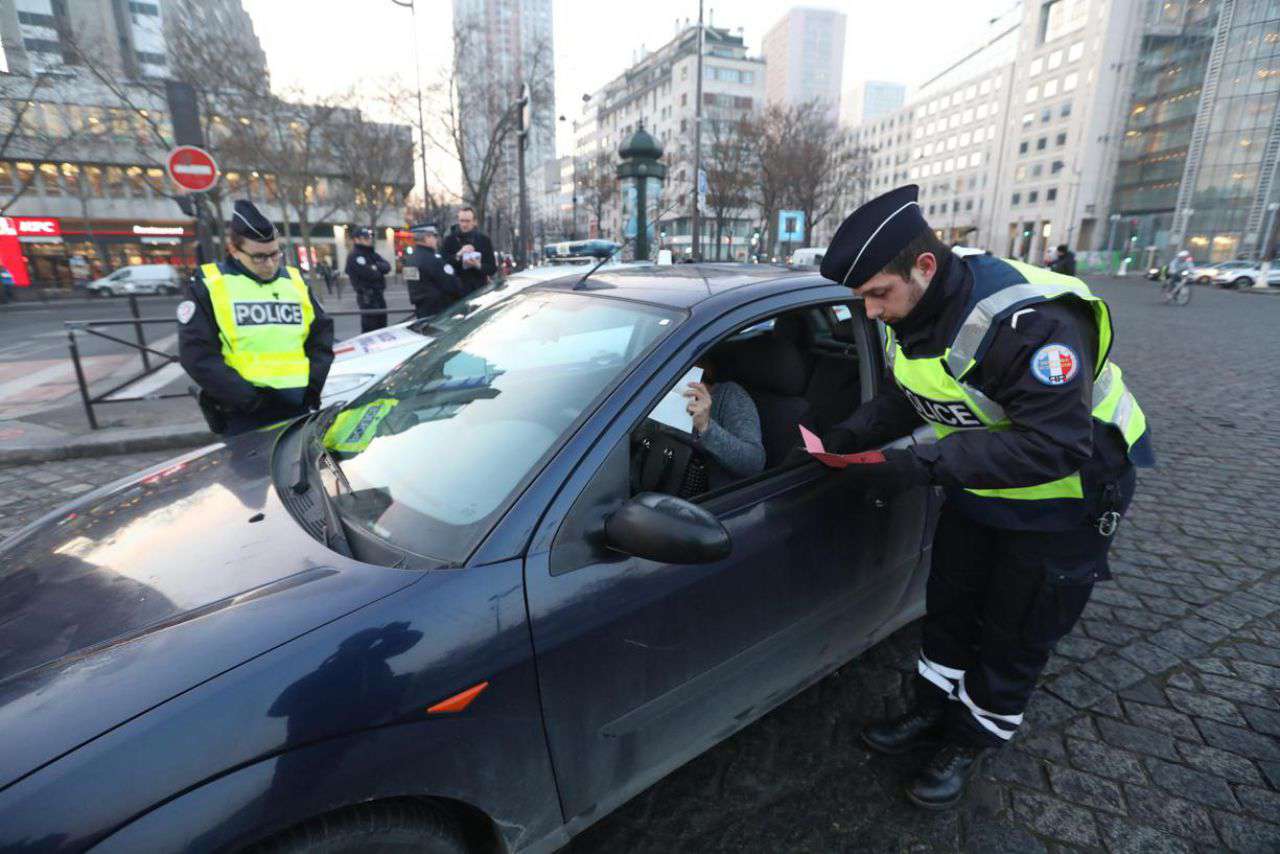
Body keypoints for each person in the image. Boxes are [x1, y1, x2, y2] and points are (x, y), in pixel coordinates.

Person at [816, 185, 1154, 810]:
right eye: (860, 299)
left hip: (1067, 500)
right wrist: (851, 435)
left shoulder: (1033, 321)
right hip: (979, 485)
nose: (869, 313)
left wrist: (919, 463)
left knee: (1015, 627)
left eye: (876, 295)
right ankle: (929, 712)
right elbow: (910, 393)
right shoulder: (908, 311)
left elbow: (1055, 444)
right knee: (951, 604)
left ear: (923, 267)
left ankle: (970, 739)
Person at [178, 199, 334, 436]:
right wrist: (250, 401)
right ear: (234, 250)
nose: (270, 264)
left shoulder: (293, 281)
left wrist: (312, 387)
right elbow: (198, 355)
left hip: (299, 405)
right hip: (245, 413)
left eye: (275, 254)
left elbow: (320, 338)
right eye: (259, 257)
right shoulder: (210, 285)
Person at [683, 356, 766, 490]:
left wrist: (706, 426)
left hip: (711, 500)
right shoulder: (662, 393)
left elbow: (753, 463)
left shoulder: (729, 395)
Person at [402, 223, 461, 319]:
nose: (436, 240)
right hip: (438, 312)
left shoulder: (410, 260)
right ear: (427, 237)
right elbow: (451, 285)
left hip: (421, 309)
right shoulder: (432, 259)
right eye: (434, 236)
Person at [440, 206, 497, 296]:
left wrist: (477, 265)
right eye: (461, 221)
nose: (464, 225)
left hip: (479, 291)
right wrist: (458, 255)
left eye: (467, 221)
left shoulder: (484, 240)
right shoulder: (449, 240)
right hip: (455, 293)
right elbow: (442, 265)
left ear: (474, 222)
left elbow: (492, 268)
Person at [346, 227, 391, 332]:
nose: (369, 239)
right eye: (365, 238)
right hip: (367, 297)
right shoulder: (355, 256)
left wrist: (375, 266)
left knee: (382, 327)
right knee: (371, 328)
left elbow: (387, 266)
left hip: (378, 295)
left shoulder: (372, 254)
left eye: (369, 237)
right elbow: (371, 275)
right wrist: (377, 268)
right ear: (356, 240)